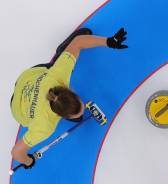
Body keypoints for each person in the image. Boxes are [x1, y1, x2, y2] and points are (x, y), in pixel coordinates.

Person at [10, 27, 128, 169]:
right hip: (18, 105)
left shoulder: (59, 74)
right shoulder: (44, 127)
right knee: (52, 67)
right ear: (61, 116)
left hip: (26, 79)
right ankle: (63, 52)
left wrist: (109, 41)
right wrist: (29, 161)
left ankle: (63, 53)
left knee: (56, 65)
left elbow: (78, 41)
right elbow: (16, 153)